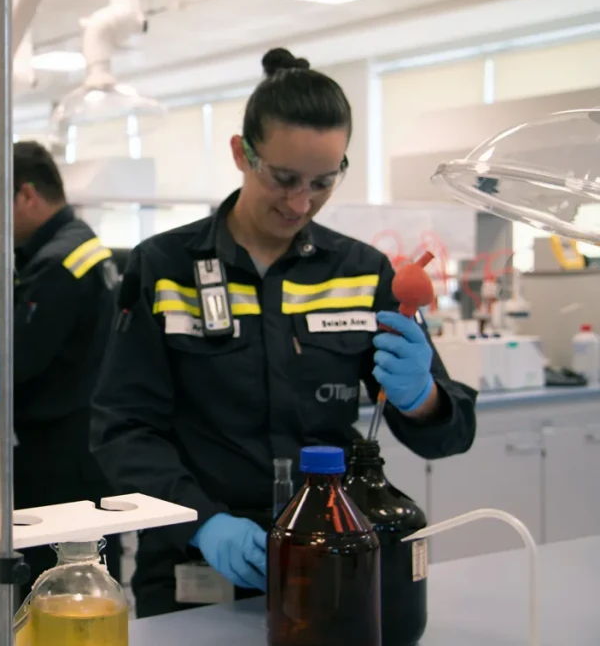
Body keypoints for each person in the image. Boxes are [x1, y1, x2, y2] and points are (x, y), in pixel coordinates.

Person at [90, 47, 477, 618]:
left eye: (324, 181)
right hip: (193, 565)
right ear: (241, 153)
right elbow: (122, 429)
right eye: (284, 178)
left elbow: (450, 436)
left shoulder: (363, 273)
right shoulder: (164, 267)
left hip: (331, 564)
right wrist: (203, 521)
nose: (302, 202)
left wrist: (424, 399)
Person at [0, 140, 122, 598]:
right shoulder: (81, 244)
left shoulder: (58, 264)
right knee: (89, 581)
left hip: (60, 457)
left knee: (52, 588)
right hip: (86, 443)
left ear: (27, 196)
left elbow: (18, 358)